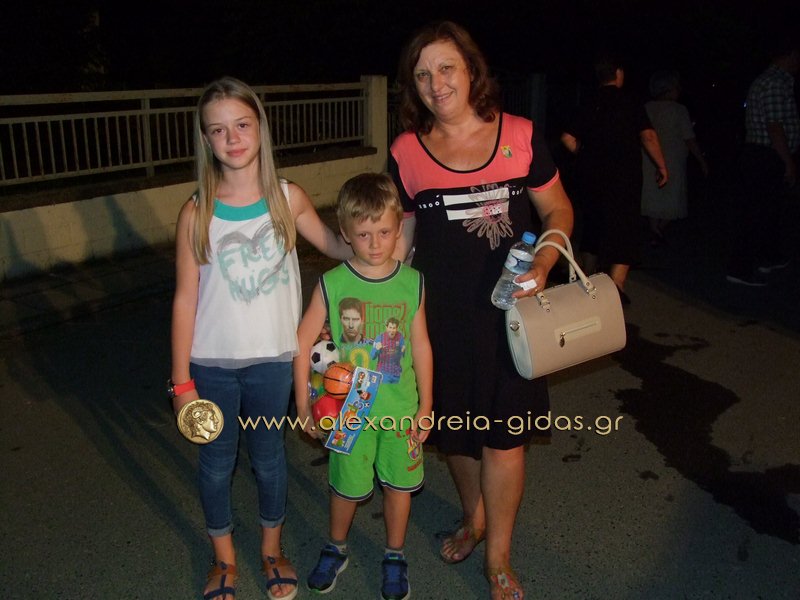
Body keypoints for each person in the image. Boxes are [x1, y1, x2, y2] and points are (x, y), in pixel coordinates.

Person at [389, 21, 574, 600]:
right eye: (422, 74)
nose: (436, 83)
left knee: (505, 438)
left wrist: (544, 264)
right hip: (441, 319)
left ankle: (498, 556)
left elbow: (558, 210)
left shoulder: (520, 134)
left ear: (471, 70)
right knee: (456, 432)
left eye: (446, 68)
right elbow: (400, 240)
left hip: (512, 317)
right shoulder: (406, 152)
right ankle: (474, 518)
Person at [170, 76, 353, 600]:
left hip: (274, 361)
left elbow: (338, 247)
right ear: (206, 139)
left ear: (260, 127)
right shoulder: (196, 212)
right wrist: (181, 381)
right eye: (218, 130)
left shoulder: (287, 199)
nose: (232, 138)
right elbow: (185, 300)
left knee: (270, 457)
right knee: (216, 463)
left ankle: (272, 550)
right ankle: (223, 560)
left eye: (241, 124)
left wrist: (389, 234)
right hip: (211, 364)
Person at [294, 172, 433, 600]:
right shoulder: (333, 283)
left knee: (399, 487)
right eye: (364, 234)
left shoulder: (412, 282)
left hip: (399, 410)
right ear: (345, 233)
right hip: (348, 411)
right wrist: (303, 405)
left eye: (385, 232)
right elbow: (302, 344)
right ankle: (336, 546)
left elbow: (421, 346)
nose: (375, 244)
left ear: (399, 229)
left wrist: (426, 406)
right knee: (346, 486)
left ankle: (395, 554)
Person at [561, 52, 668, 303]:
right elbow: (648, 136)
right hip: (623, 176)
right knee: (624, 226)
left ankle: (586, 278)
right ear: (618, 73)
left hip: (591, 175)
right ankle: (617, 284)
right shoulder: (629, 101)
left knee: (594, 222)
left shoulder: (589, 101)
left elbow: (567, 137)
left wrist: (585, 154)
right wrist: (662, 166)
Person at [725, 34, 799, 286]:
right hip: (765, 155)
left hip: (763, 154)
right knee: (756, 212)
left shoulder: (772, 80)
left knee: (767, 209)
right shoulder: (774, 82)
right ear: (790, 55)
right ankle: (740, 268)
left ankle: (768, 256)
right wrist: (788, 161)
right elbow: (775, 126)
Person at [641, 70, 709, 245]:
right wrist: (701, 160)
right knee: (673, 197)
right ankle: (657, 231)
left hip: (650, 158)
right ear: (668, 89)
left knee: (651, 195)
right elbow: (689, 138)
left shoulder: (647, 108)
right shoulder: (679, 110)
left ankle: (655, 231)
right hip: (672, 159)